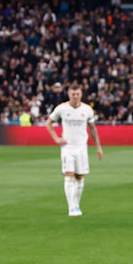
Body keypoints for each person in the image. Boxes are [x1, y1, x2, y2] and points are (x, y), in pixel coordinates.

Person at [45, 84, 103, 217]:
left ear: (81, 94)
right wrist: (56, 138)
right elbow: (48, 123)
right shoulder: (62, 108)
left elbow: (93, 128)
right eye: (73, 94)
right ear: (69, 94)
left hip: (82, 147)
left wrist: (98, 147)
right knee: (69, 175)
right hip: (68, 147)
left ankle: (76, 204)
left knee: (79, 177)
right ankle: (71, 207)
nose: (75, 96)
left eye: (77, 94)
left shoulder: (87, 110)